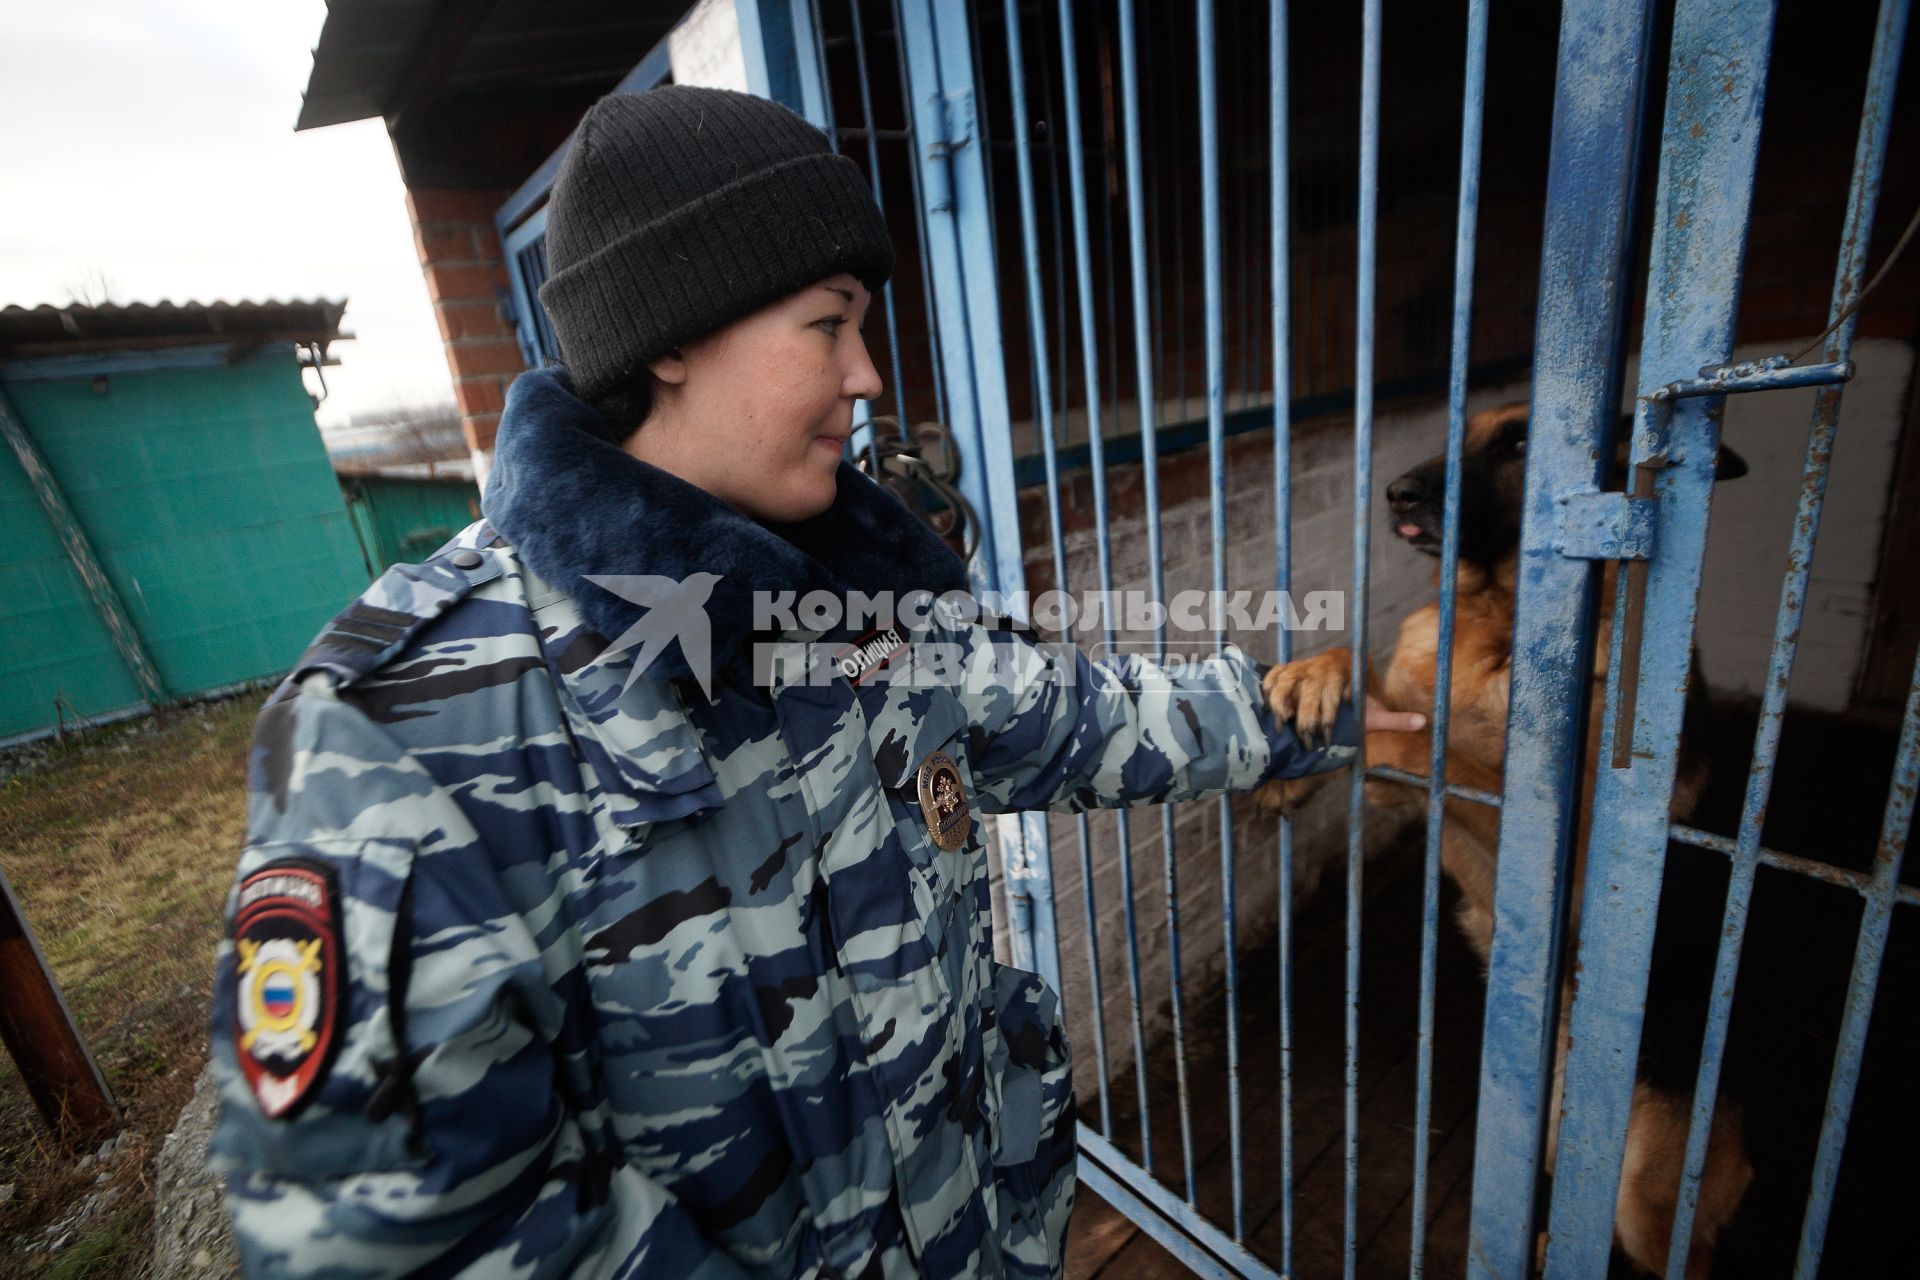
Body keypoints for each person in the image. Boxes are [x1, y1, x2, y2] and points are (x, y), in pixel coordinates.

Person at [206, 84, 1417, 1280]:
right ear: (668, 337)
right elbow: (411, 1234)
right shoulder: (397, 739)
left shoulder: (850, 593)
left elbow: (1070, 716)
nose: (870, 376)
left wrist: (1301, 714)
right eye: (829, 324)